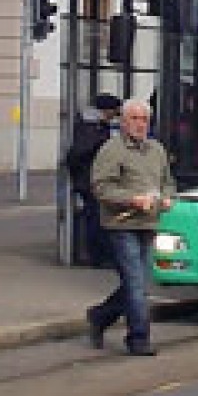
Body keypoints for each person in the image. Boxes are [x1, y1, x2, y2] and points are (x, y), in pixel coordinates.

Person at [84, 97, 175, 356]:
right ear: (123, 122)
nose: (140, 124)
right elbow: (101, 187)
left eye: (144, 119)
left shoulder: (156, 150)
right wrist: (131, 199)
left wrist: (168, 198)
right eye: (134, 119)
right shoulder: (111, 150)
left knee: (138, 283)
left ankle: (100, 316)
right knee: (135, 283)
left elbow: (168, 181)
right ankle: (138, 338)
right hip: (121, 223)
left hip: (149, 222)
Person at [64, 91, 122, 267]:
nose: (115, 116)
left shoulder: (94, 125)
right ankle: (98, 256)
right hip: (91, 181)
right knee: (96, 220)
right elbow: (78, 153)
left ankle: (101, 255)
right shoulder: (91, 127)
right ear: (106, 110)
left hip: (92, 180)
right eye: (114, 111)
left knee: (98, 218)